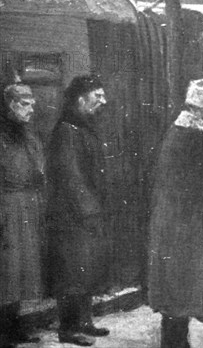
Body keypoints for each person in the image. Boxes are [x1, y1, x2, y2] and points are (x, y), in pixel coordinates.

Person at [148, 79, 203, 348]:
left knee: (179, 285)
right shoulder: (199, 137)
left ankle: (175, 340)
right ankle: (174, 343)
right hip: (188, 225)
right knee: (183, 284)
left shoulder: (182, 131)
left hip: (178, 221)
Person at [46, 75, 110, 346]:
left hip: (87, 213)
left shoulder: (84, 127)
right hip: (72, 215)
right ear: (80, 99)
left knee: (87, 270)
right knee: (71, 272)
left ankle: (85, 321)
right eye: (98, 97)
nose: (103, 102)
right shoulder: (66, 130)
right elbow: (72, 178)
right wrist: (89, 211)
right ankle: (68, 328)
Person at [0, 82, 45, 348]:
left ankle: (16, 327)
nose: (31, 109)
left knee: (22, 271)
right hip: (6, 206)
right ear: (10, 105)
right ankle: (3, 332)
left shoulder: (28, 134)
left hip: (26, 206)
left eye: (32, 103)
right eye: (25, 104)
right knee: (6, 270)